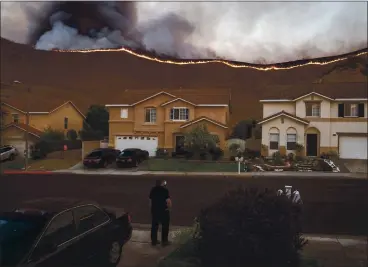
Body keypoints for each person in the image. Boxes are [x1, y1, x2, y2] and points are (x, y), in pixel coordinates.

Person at [149, 179, 172, 246]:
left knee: (154, 226)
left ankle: (154, 241)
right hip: (163, 210)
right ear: (162, 184)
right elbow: (168, 201)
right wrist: (169, 208)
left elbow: (150, 201)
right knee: (165, 226)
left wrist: (151, 209)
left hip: (155, 210)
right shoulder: (165, 190)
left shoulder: (153, 190)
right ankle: (164, 241)